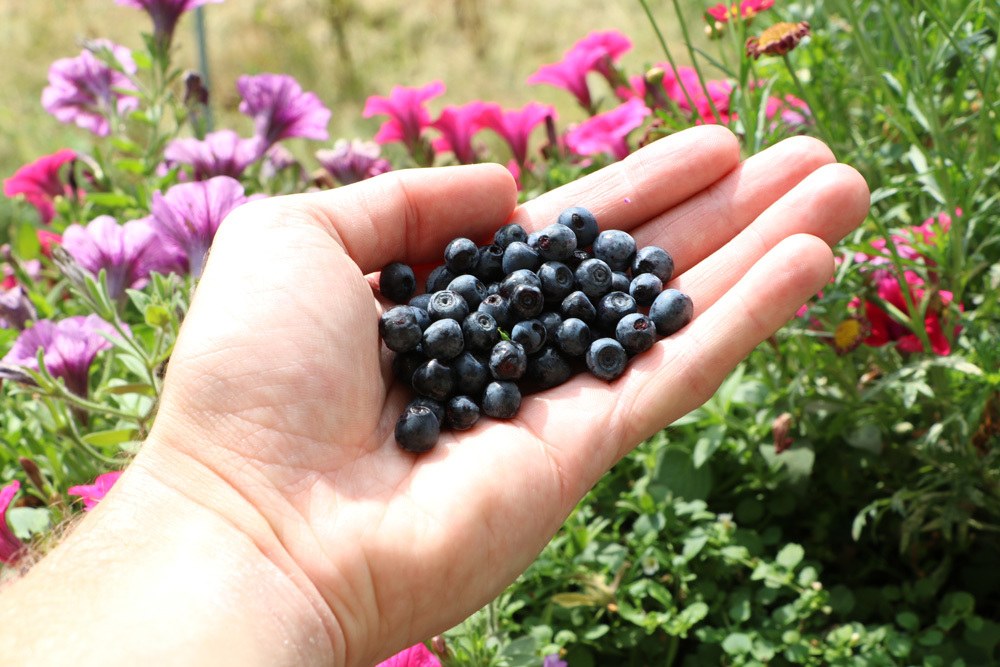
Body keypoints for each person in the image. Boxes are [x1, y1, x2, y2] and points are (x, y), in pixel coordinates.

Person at [0, 126, 868, 666]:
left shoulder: (522, 319)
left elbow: (543, 322)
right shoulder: (443, 343)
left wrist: (226, 517)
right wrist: (229, 500)